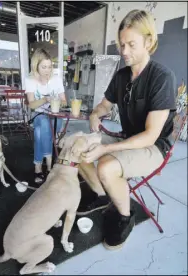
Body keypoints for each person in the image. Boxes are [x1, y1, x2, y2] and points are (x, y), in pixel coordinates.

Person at [78, 9, 177, 249]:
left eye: (131, 45)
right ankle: (102, 192)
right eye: (122, 45)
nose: (124, 52)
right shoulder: (122, 76)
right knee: (78, 145)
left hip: (154, 147)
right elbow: (104, 105)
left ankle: (124, 216)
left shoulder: (162, 77)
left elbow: (151, 135)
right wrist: (94, 113)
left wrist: (106, 149)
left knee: (107, 165)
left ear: (149, 41)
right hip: (129, 139)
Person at [25, 49, 67, 184]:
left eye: (49, 66)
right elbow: (31, 105)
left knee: (40, 132)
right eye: (43, 67)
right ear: (36, 66)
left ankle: (38, 166)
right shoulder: (30, 80)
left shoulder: (56, 79)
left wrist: (57, 102)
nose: (47, 70)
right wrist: (45, 99)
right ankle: (49, 166)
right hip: (38, 114)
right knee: (42, 126)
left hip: (55, 116)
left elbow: (64, 101)